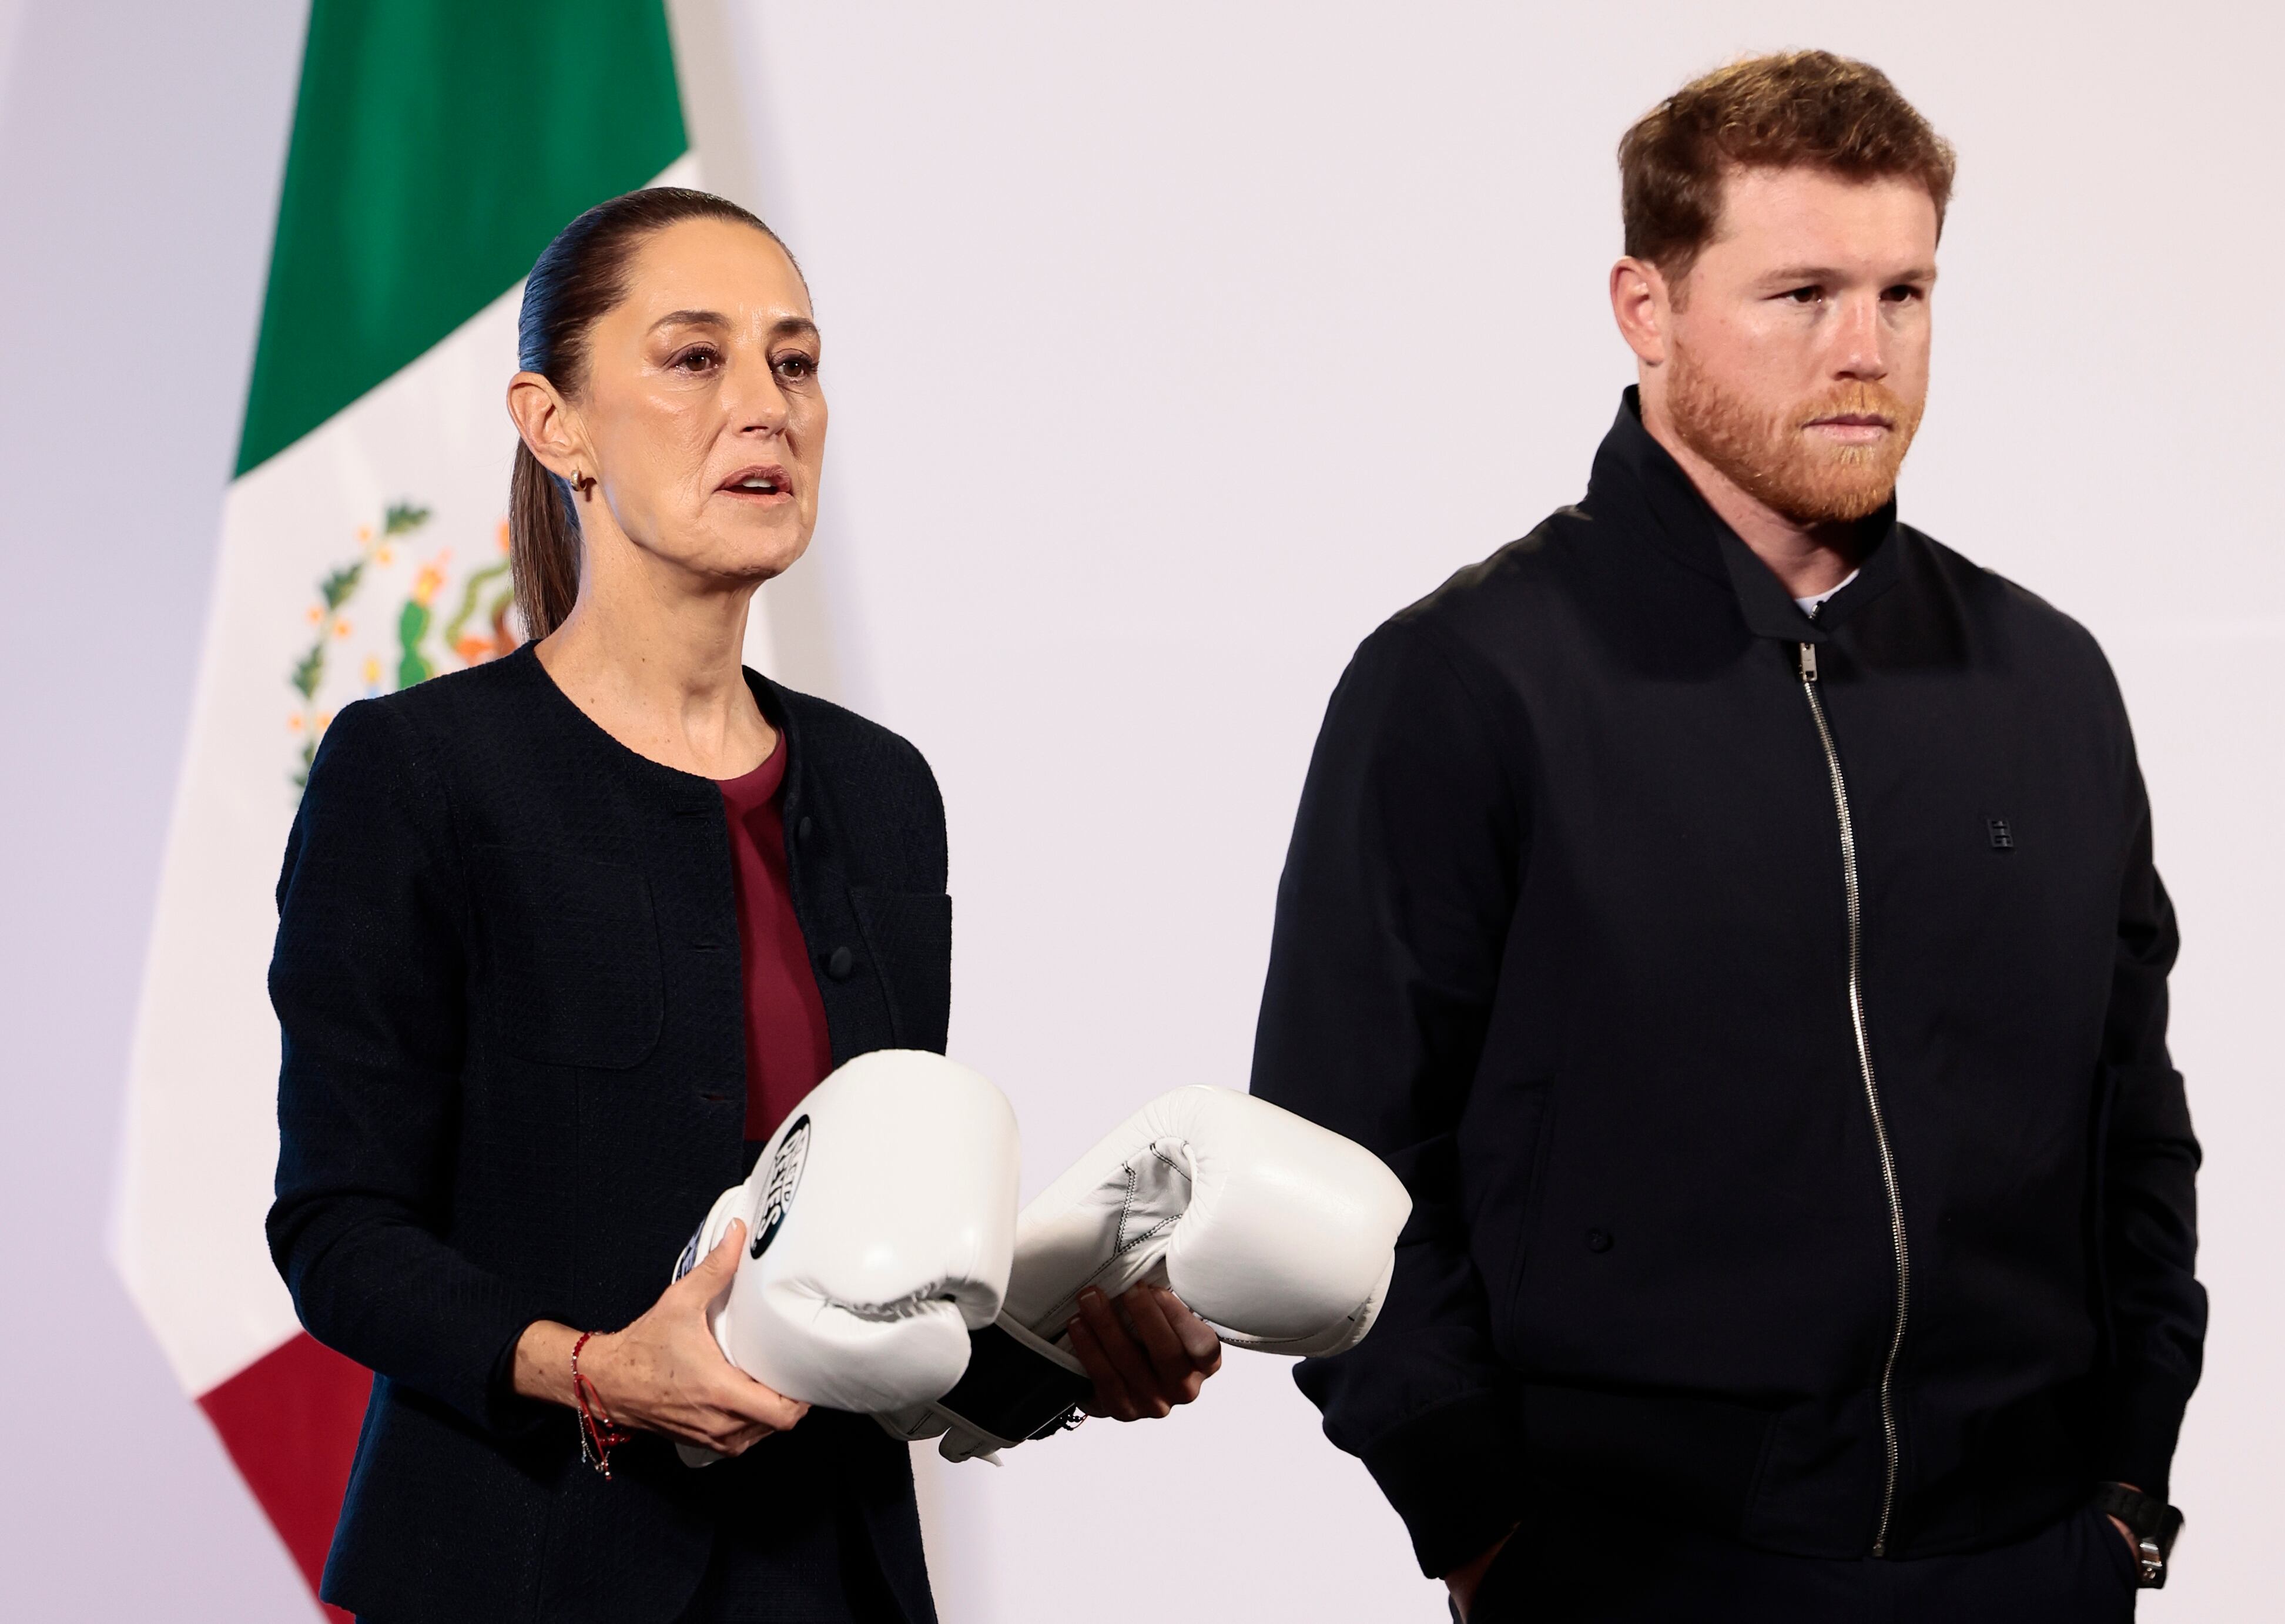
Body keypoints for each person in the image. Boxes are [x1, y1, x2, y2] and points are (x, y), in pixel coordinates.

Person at [1250, 51, 2203, 1623]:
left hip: (2031, 1554)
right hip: (1639, 1564)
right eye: (1802, 294)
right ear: (1647, 305)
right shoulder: (1469, 682)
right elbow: (1335, 1157)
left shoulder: (2044, 677)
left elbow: (2132, 1125)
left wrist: (2125, 1491)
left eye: (1904, 294)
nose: (1865, 352)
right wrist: (1486, 1524)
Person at [267, 187, 1221, 1624]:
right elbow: (338, 1232)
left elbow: (864, 1286)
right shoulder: (418, 774)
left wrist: (1078, 1357)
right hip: (520, 1577)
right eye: (694, 358)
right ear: (556, 424)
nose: (764, 406)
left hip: (832, 1578)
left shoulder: (882, 788)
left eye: (795, 360)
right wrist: (589, 1368)